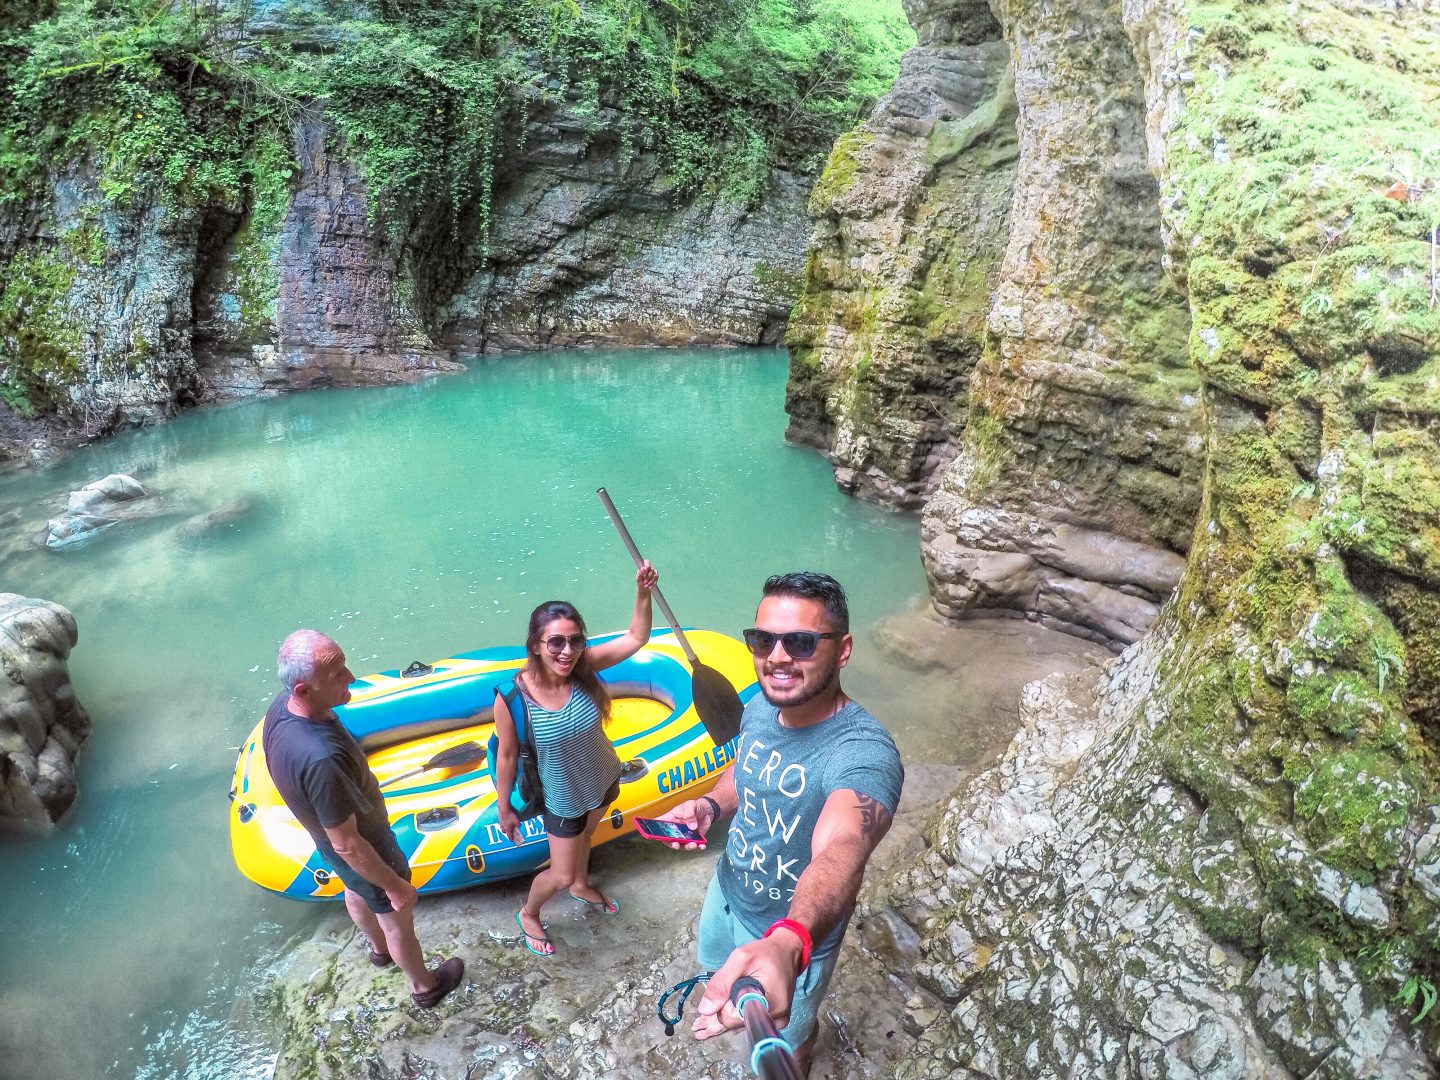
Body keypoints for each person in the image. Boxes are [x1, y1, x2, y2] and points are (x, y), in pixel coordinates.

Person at [657, 571, 903, 1075]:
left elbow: (843, 845)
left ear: (844, 648)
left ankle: (804, 1046)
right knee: (717, 977)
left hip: (791, 939)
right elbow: (746, 769)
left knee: (786, 1034)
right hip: (725, 896)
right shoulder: (761, 707)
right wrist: (709, 806)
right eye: (763, 639)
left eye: (801, 642)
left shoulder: (863, 754)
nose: (777, 656)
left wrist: (789, 941)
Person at [263, 630, 464, 1007]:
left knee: (353, 888)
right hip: (365, 845)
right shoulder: (321, 759)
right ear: (304, 690)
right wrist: (394, 885)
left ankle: (377, 951)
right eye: (337, 674)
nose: (351, 677)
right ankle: (425, 986)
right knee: (396, 917)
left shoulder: (280, 709)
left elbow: (337, 846)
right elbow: (349, 843)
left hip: (326, 840)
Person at [495, 561, 660, 956]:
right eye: (555, 642)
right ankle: (530, 913)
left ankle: (582, 886)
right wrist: (504, 807)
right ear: (536, 644)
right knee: (560, 871)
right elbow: (506, 754)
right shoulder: (513, 697)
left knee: (587, 837)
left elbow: (637, 636)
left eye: (574, 641)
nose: (566, 651)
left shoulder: (584, 667)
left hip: (602, 777)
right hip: (562, 795)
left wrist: (642, 591)